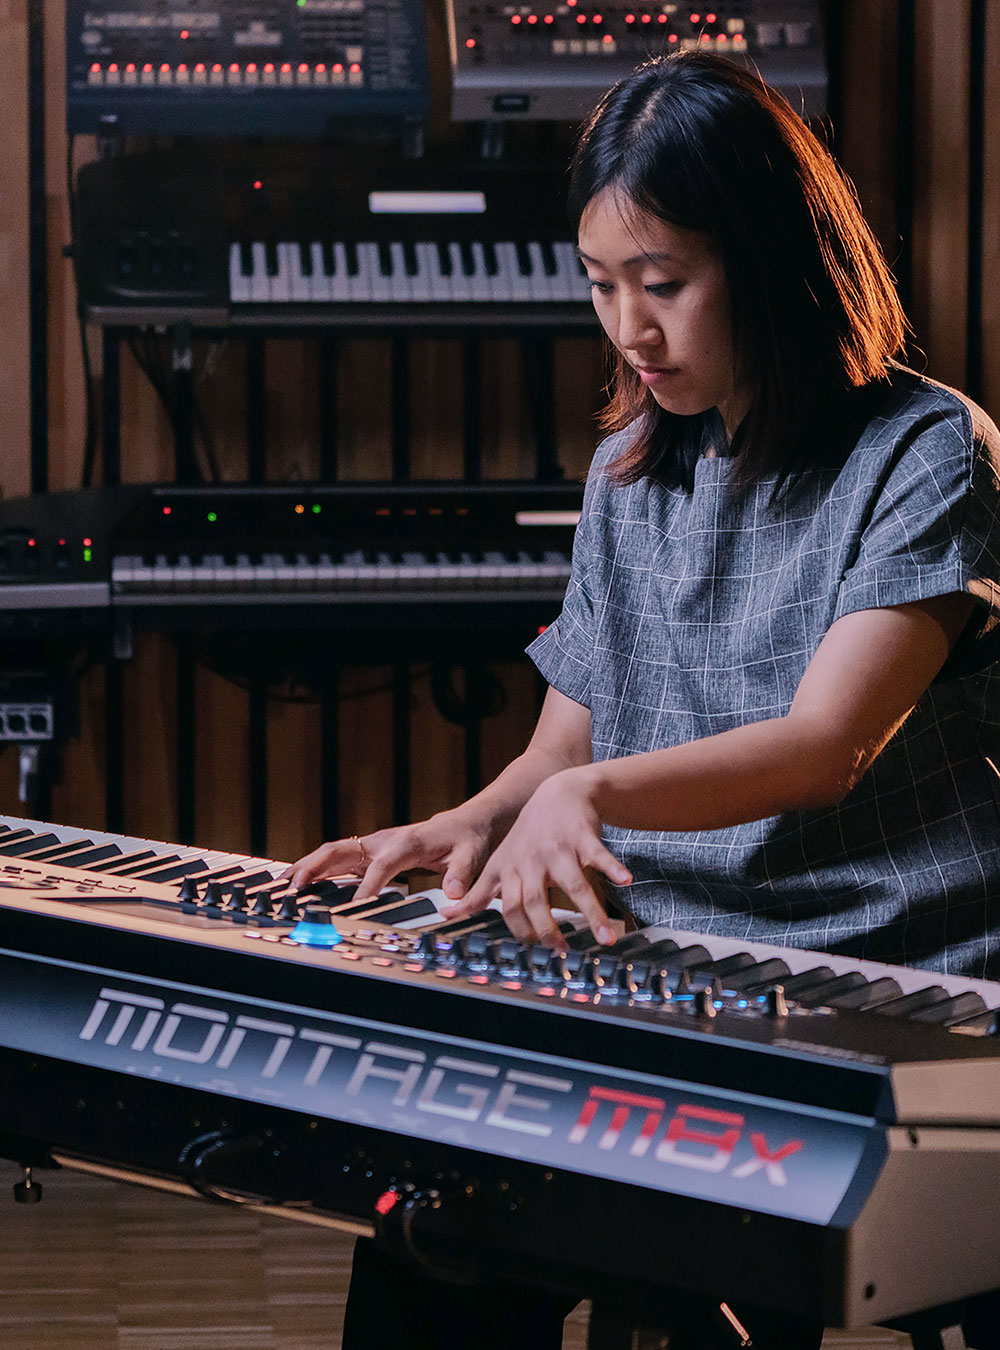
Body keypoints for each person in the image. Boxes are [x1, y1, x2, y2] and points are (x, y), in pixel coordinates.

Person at [290, 51, 1000, 1350]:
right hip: (674, 961)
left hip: (897, 982)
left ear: (776, 264)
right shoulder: (632, 469)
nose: (629, 327)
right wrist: (463, 823)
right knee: (428, 1227)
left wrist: (584, 793)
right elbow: (566, 744)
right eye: (602, 284)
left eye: (663, 283)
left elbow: (826, 745)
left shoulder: (930, 450)